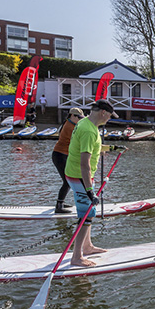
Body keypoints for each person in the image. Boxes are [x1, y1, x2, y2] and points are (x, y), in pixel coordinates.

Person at [64, 99, 119, 267]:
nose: (109, 119)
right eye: (109, 116)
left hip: (78, 176)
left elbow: (95, 147)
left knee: (88, 214)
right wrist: (89, 191)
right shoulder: (88, 130)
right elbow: (84, 163)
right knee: (86, 216)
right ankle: (77, 257)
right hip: (80, 177)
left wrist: (113, 148)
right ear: (103, 113)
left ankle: (87, 247)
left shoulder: (87, 125)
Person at [52, 107, 84, 213]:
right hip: (59, 155)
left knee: (68, 181)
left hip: (63, 155)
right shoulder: (70, 127)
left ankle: (61, 202)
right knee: (67, 181)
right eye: (78, 117)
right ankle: (59, 206)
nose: (80, 120)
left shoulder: (70, 124)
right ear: (72, 116)